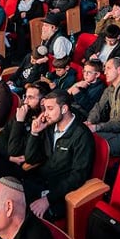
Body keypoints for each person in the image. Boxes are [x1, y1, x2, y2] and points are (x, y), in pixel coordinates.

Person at [24, 89, 95, 220]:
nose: (45, 114)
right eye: (45, 109)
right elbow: (30, 158)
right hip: (40, 182)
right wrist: (34, 133)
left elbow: (78, 176)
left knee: (27, 218)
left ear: (64, 109)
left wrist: (48, 199)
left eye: (50, 109)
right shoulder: (49, 128)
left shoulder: (82, 135)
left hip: (60, 193)